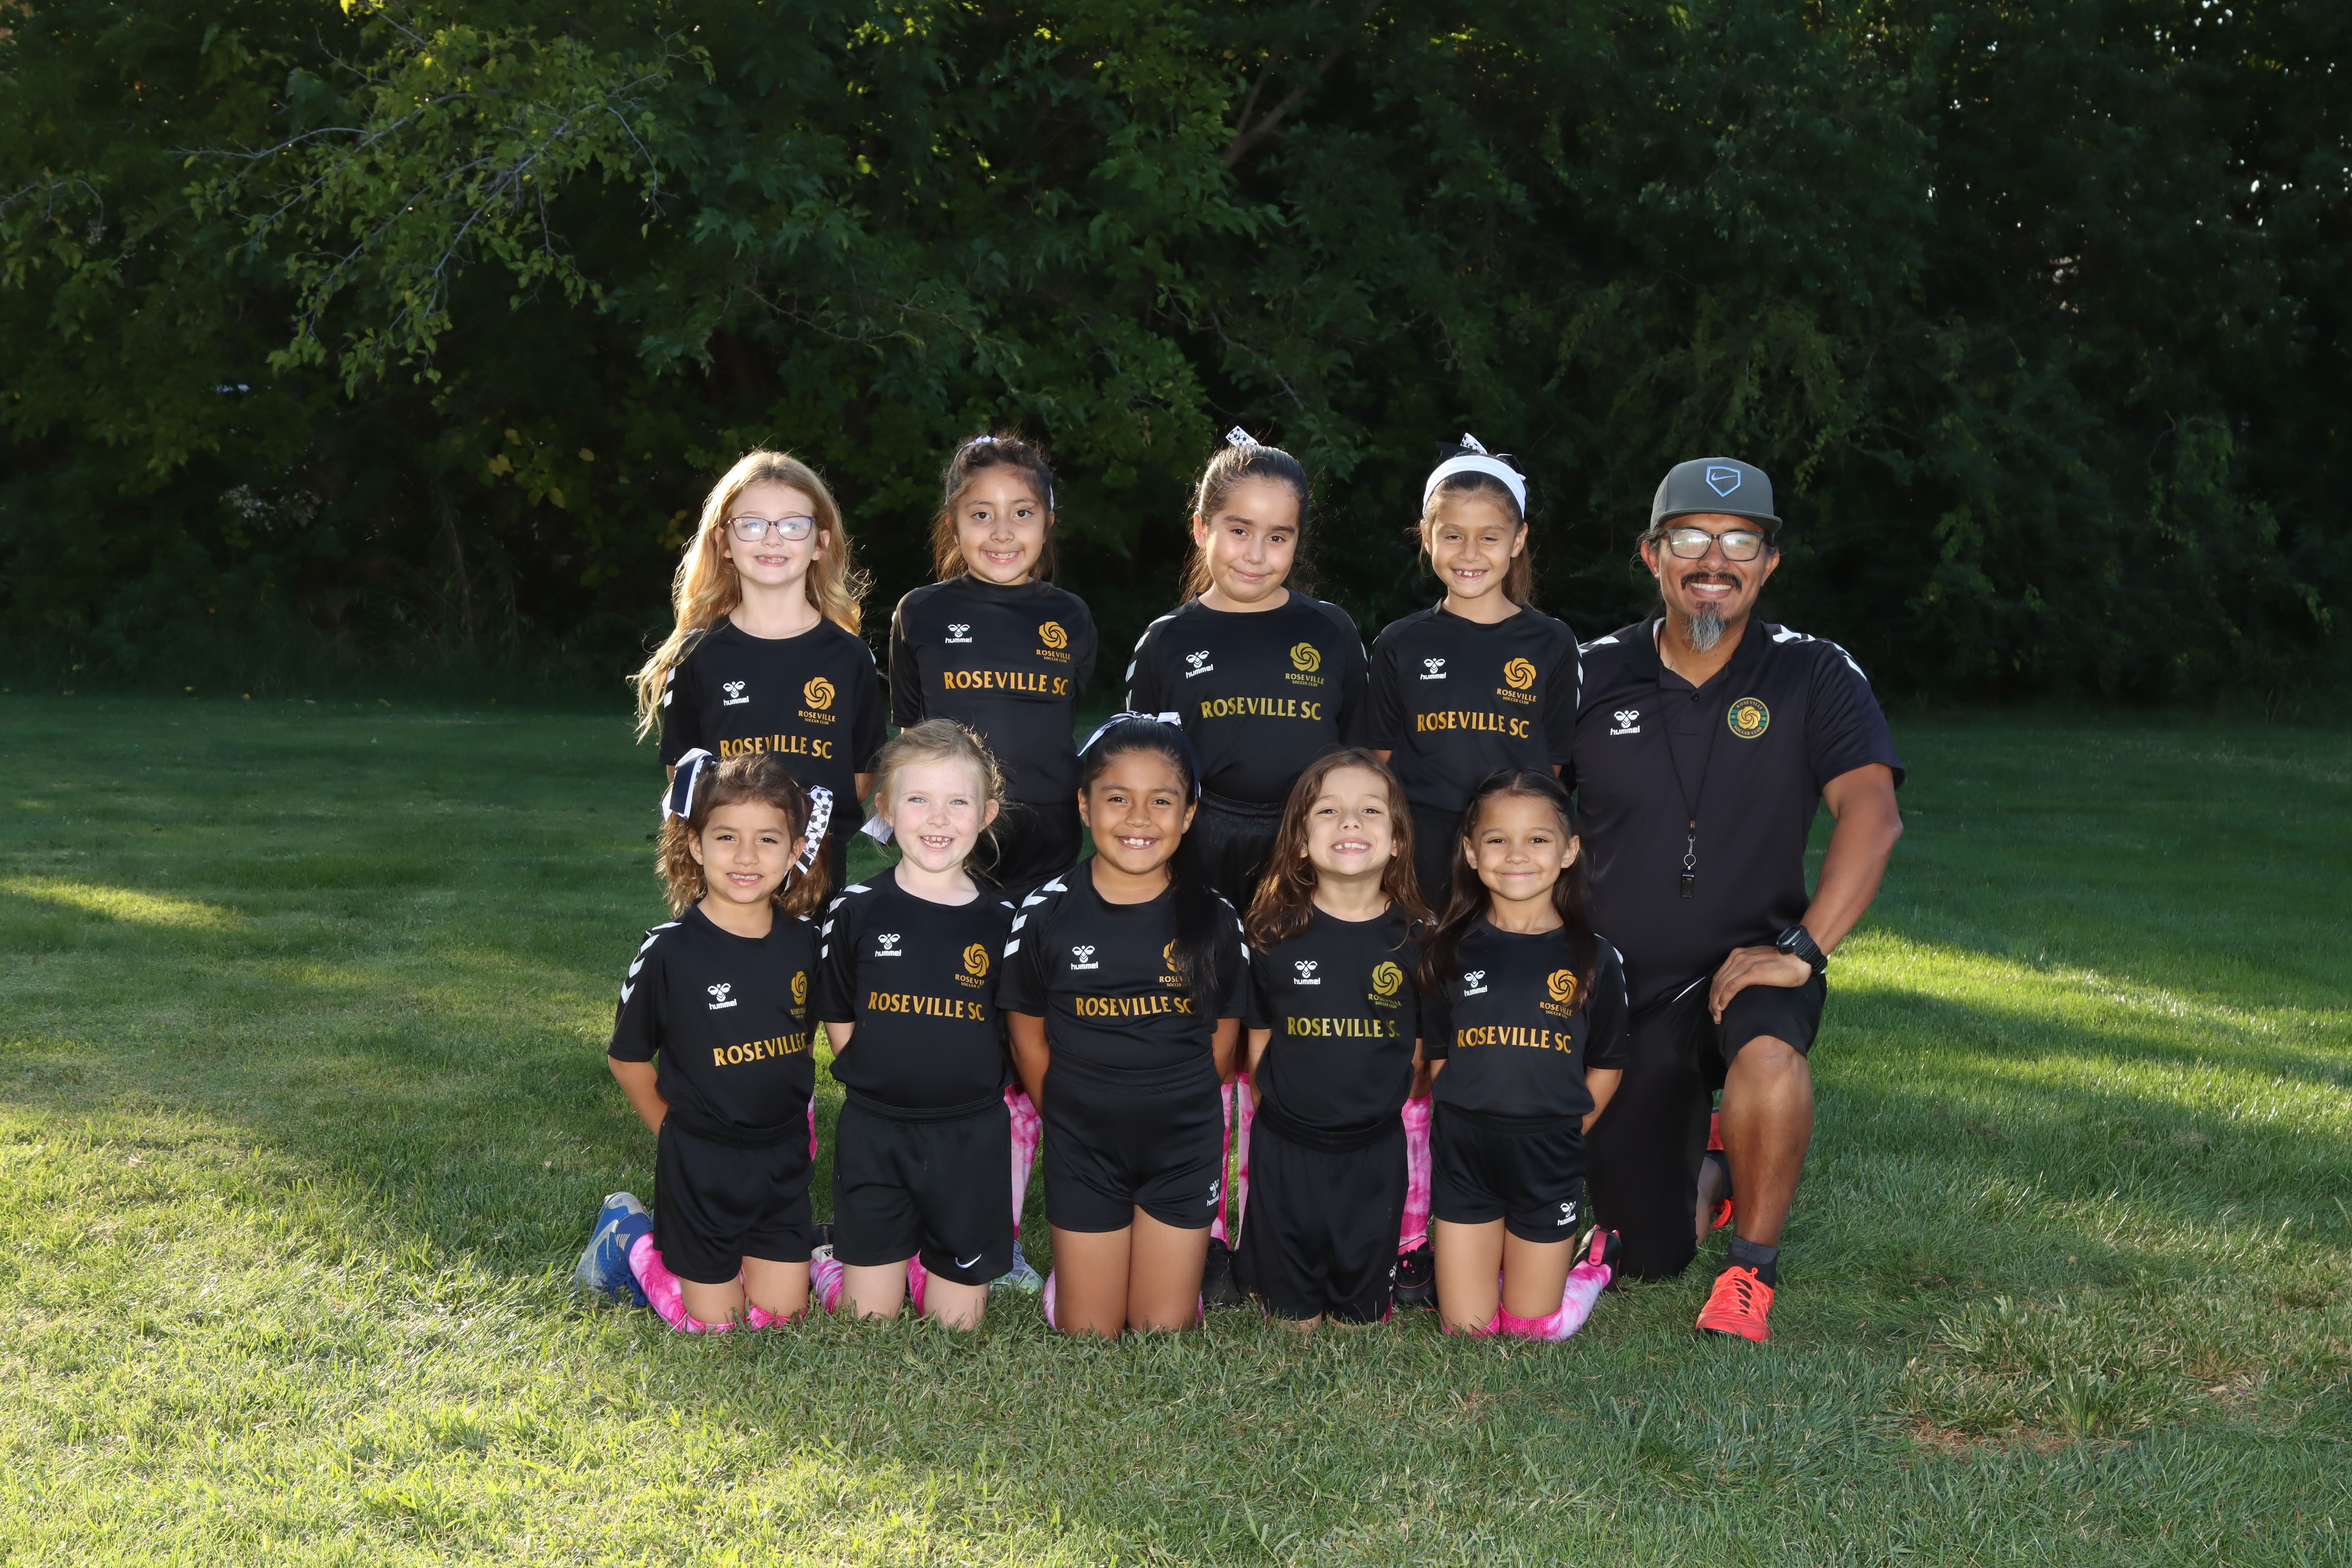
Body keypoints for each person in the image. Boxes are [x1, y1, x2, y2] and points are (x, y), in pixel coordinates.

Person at [1571, 457, 1904, 1342]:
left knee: (1767, 1050)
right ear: (1653, 554)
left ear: (1769, 564)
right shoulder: (1589, 673)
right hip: (1625, 987)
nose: (1714, 560)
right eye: (1690, 538)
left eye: (1740, 542)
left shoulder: (1813, 672)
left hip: (1752, 962)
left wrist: (1803, 950)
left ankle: (1751, 1270)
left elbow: (1872, 816)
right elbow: (1515, 814)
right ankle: (1714, 1164)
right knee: (1648, 1252)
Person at [1125, 428, 1369, 1304]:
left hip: (1301, 852)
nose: (1257, 553)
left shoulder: (1330, 633)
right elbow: (1140, 773)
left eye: (1279, 535)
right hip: (1201, 846)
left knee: (1295, 1031)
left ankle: (1285, 1219)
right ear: (1202, 529)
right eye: (1238, 530)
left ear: (1298, 541)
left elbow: (1362, 765)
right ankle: (1203, 1227)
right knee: (1202, 1031)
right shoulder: (1168, 641)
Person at [1369, 434, 1580, 1305]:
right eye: (1450, 534)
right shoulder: (1400, 643)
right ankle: (1412, 1231)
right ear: (1426, 539)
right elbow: (1380, 770)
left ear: (1519, 540)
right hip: (1424, 867)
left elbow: (1553, 777)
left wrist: (1525, 864)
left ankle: (1499, 1215)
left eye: (1489, 535)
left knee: (1485, 1041)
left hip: (1510, 877)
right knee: (1420, 1040)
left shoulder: (1551, 644)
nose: (1469, 552)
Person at [997, 715, 1249, 1338]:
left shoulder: (1215, 918)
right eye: (1117, 798)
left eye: (1161, 800)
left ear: (1189, 814)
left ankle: (1162, 1266)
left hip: (1182, 1143)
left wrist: (1171, 1097)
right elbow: (1027, 1034)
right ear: (1085, 806)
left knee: (1161, 1330)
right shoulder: (1047, 911)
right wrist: (1072, 1112)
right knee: (1090, 1331)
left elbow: (1223, 1041)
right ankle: (1078, 1280)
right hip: (1085, 1143)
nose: (1139, 818)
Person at [577, 752, 832, 1332]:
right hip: (700, 1160)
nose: (746, 856)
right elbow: (627, 1058)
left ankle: (774, 1254)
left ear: (795, 849)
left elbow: (804, 1038)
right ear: (695, 844)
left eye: (768, 839)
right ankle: (629, 1237)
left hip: (783, 1157)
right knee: (718, 1326)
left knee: (782, 1316)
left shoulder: (807, 944)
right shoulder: (670, 951)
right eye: (727, 837)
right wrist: (674, 1135)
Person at [808, 721, 1019, 1330]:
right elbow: (837, 1006)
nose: (938, 818)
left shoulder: (1006, 922)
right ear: (886, 807)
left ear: (987, 813)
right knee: (869, 1319)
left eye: (959, 801)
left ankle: (926, 1259)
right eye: (919, 798)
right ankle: (831, 1266)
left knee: (957, 1326)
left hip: (971, 1134)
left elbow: (1015, 1023)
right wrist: (869, 1067)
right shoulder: (856, 908)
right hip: (876, 1129)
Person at [1420, 768, 1625, 1341]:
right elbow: (1440, 1055)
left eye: (1537, 838)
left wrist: (1566, 1128)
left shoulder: (1595, 959)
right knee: (1466, 1328)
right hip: (1466, 1154)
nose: (1516, 853)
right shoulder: (1447, 951)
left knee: (1533, 1330)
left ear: (1569, 850)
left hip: (1549, 1153)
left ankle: (1591, 1270)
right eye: (1497, 838)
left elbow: (1608, 1063)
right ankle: (1498, 1261)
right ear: (1470, 851)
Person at [633, 449, 885, 894]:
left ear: (820, 542)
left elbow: (860, 779)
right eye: (751, 524)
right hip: (726, 880)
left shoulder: (849, 657)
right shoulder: (696, 655)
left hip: (816, 877)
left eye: (792, 524)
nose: (772, 539)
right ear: (724, 543)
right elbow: (685, 776)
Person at [1235, 749, 1428, 1329]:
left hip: (1375, 1152)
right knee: (1292, 1322)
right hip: (1286, 1148)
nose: (1350, 821)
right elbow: (1259, 1041)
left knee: (1359, 1322)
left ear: (1397, 839)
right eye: (1329, 810)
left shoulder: (1421, 939)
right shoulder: (1270, 934)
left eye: (1370, 809)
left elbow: (1419, 1051)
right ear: (1300, 840)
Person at [889, 434, 1099, 889]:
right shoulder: (920, 612)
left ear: (1048, 523)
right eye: (981, 515)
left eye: (1022, 513)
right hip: (954, 828)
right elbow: (911, 736)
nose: (1002, 532)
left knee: (1037, 936)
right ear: (953, 524)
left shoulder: (1072, 616)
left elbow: (1063, 719)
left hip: (1048, 834)